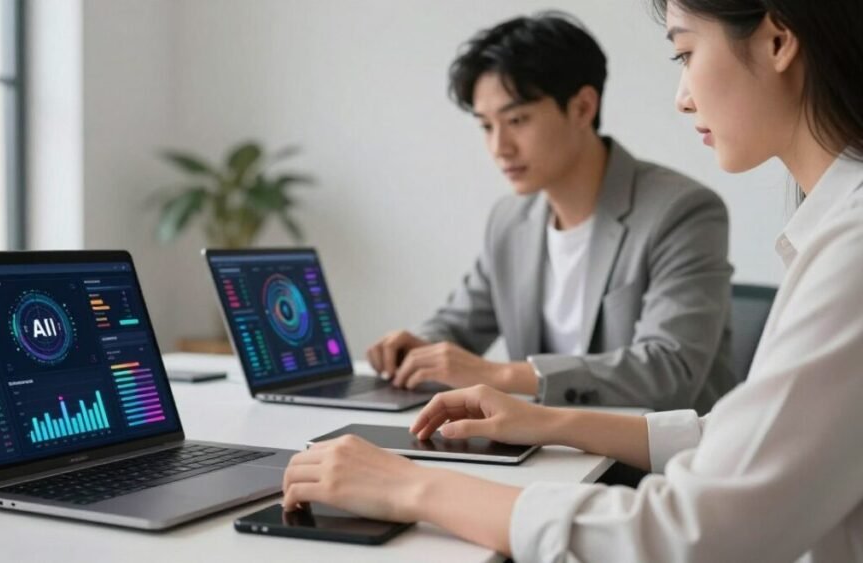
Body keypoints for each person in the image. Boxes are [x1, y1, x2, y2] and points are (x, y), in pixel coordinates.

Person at [282, 1, 863, 560]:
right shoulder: (512, 221)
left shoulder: (789, 234)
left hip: (632, 495)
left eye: (684, 54)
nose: (682, 98)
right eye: (486, 126)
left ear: (778, 41)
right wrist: (527, 410)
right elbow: (730, 435)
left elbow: (696, 531)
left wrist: (411, 485)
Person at [367, 13, 736, 413]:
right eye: (486, 126)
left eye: (516, 120)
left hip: (656, 448)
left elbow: (668, 371)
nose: (500, 147)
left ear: (582, 108)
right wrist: (417, 346)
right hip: (541, 443)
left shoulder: (681, 211)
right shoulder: (510, 220)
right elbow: (458, 325)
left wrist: (496, 375)